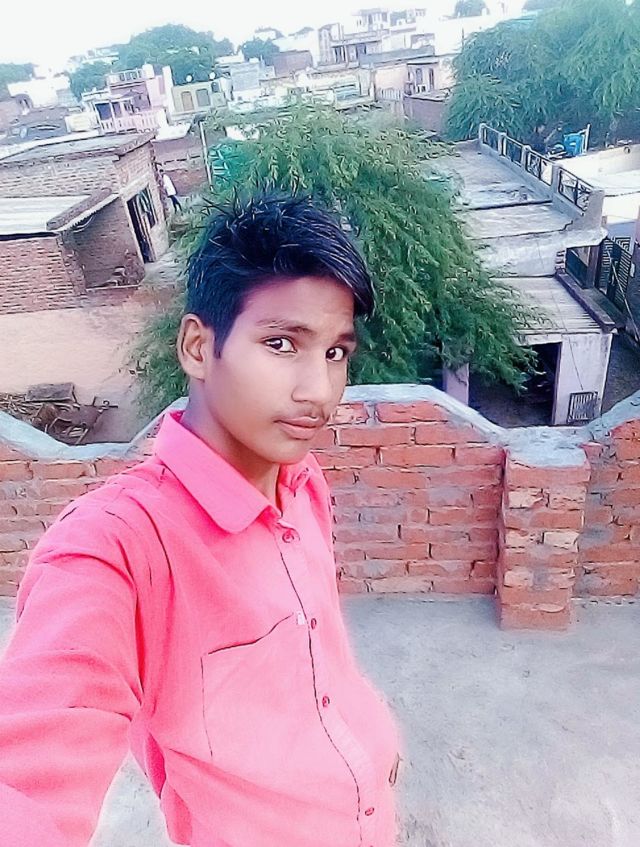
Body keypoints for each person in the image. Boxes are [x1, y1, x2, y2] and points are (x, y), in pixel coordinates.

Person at [0, 194, 402, 847]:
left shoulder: (303, 483)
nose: (319, 391)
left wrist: (372, 738)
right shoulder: (116, 548)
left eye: (335, 352)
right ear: (197, 346)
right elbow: (28, 773)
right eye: (281, 343)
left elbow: (320, 654)